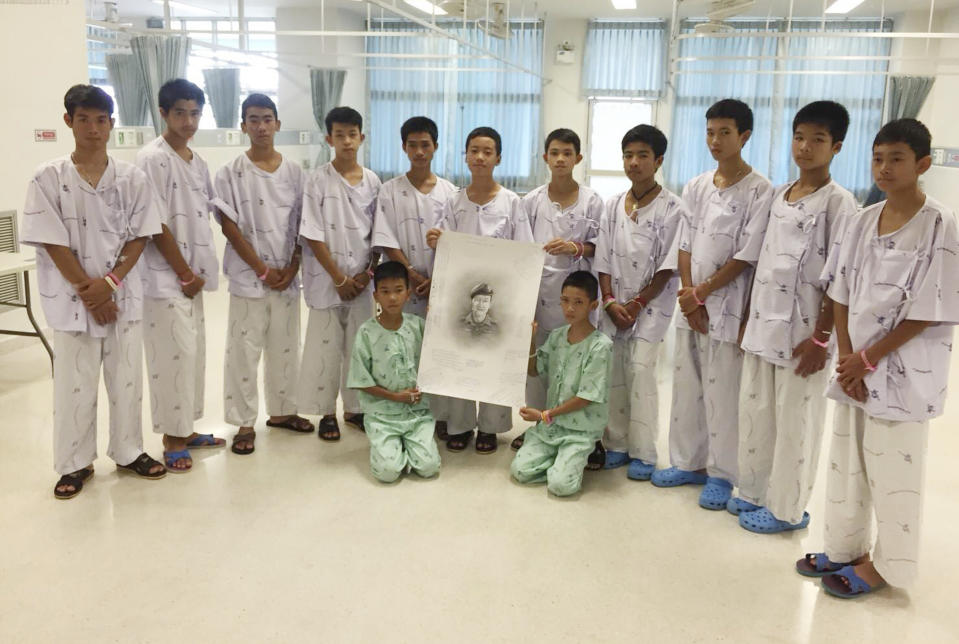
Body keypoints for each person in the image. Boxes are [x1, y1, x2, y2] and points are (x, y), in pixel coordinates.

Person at [796, 118, 959, 599]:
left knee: (894, 471)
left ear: (922, 164)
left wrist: (868, 360)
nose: (884, 168)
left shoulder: (941, 225)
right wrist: (848, 359)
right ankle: (844, 548)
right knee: (846, 464)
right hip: (854, 370)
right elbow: (841, 292)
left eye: (897, 159)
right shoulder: (863, 219)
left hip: (905, 370)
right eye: (878, 158)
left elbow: (933, 308)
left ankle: (888, 566)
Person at [22, 84, 165, 498]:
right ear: (68, 121)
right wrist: (90, 292)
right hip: (71, 301)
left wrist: (110, 284)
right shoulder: (48, 177)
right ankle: (74, 463)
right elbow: (52, 241)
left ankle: (129, 450)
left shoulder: (132, 178)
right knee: (74, 384)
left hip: (122, 298)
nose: (93, 128)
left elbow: (141, 235)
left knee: (126, 379)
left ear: (112, 124)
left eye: (101, 120)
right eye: (83, 119)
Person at [732, 101, 857, 532]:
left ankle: (786, 509)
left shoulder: (840, 204)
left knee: (795, 424)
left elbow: (838, 280)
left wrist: (822, 340)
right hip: (763, 325)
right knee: (756, 412)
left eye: (818, 140)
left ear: (837, 146)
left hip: (804, 335)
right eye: (799, 137)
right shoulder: (778, 195)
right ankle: (752, 491)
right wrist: (748, 316)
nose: (805, 147)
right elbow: (761, 261)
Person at [651, 99, 774, 511]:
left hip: (728, 305)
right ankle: (687, 463)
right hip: (692, 306)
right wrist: (689, 295)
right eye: (710, 132)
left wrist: (702, 293)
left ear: (745, 136)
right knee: (687, 386)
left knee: (723, 393)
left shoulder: (761, 190)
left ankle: (723, 474)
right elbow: (685, 243)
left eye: (725, 132)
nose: (716, 140)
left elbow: (747, 254)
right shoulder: (698, 185)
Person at [425, 126, 535, 454]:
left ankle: (490, 426)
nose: (480, 157)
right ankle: (459, 424)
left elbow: (525, 252)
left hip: (500, 297)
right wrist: (436, 242)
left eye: (487, 151)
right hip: (461, 295)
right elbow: (444, 255)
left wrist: (521, 303)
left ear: (498, 158)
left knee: (493, 357)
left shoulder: (512, 203)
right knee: (461, 357)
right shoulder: (454, 201)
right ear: (466, 156)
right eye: (474, 150)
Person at [214, 93, 313, 456]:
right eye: (253, 119)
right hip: (247, 277)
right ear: (243, 126)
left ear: (277, 124)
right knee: (244, 349)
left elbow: (304, 223)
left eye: (267, 119)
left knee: (286, 347)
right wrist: (260, 269)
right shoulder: (230, 173)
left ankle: (284, 411)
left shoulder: (294, 173)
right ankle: (243, 423)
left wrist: (292, 266)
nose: (260, 126)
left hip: (287, 276)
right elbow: (229, 226)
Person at [136, 78, 225, 473]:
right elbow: (154, 223)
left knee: (193, 356)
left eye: (194, 113)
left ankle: (186, 429)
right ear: (163, 113)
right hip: (165, 278)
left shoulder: (197, 161)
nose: (188, 121)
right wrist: (184, 272)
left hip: (193, 279)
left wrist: (196, 273)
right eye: (179, 113)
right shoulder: (151, 159)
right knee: (172, 358)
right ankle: (172, 438)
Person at [594, 124, 684, 481]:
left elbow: (668, 265)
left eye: (642, 155)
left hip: (652, 306)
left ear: (658, 160)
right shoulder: (614, 204)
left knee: (642, 371)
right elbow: (602, 257)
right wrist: (611, 301)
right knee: (614, 371)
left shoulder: (673, 207)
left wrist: (637, 304)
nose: (634, 162)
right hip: (614, 306)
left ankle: (644, 452)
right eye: (628, 155)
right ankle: (616, 443)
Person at [512, 128, 604, 455]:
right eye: (555, 153)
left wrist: (575, 247)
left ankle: (577, 428)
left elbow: (601, 248)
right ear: (545, 158)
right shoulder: (532, 201)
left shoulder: (592, 201)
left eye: (567, 153)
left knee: (574, 366)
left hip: (575, 299)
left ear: (578, 158)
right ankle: (538, 423)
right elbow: (520, 247)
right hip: (537, 294)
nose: (561, 159)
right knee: (537, 362)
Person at [298, 106, 381, 441]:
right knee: (326, 348)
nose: (347, 141)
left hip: (363, 282)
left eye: (353, 134)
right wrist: (339, 278)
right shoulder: (317, 180)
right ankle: (326, 413)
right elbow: (312, 234)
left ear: (362, 137)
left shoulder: (373, 181)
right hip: (328, 281)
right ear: (328, 138)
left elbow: (379, 235)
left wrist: (365, 275)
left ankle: (355, 409)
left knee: (359, 347)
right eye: (340, 135)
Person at [372, 116, 455, 439]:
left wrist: (434, 280)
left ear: (435, 147)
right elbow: (386, 237)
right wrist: (409, 275)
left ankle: (442, 416)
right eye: (413, 145)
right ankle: (403, 412)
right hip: (402, 290)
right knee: (402, 352)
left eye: (425, 145)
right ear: (404, 147)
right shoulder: (390, 191)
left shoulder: (449, 193)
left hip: (439, 287)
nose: (419, 151)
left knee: (438, 352)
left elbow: (455, 240)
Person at [511, 271, 612, 497]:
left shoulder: (600, 346)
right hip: (552, 427)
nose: (570, 309)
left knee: (561, 486)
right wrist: (531, 339)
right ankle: (562, 458)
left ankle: (584, 449)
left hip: (580, 429)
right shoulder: (557, 337)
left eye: (578, 302)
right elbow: (534, 370)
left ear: (593, 305)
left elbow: (586, 397)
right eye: (565, 301)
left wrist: (543, 415)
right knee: (520, 471)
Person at [347, 261, 441, 483]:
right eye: (385, 292)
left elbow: (440, 352)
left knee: (429, 468)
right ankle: (388, 448)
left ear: (408, 294)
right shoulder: (367, 333)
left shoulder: (417, 325)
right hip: (382, 416)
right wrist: (395, 397)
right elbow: (361, 379)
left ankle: (408, 448)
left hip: (417, 414)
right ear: (375, 295)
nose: (392, 298)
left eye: (398, 291)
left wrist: (437, 319)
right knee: (388, 473)